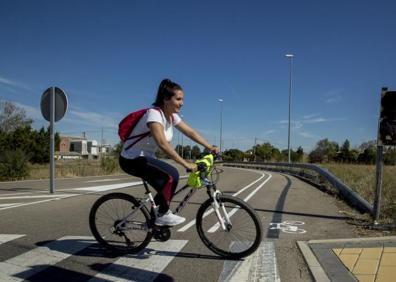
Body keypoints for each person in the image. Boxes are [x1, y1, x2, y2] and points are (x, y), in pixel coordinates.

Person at [119, 78, 218, 226]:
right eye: (178, 99)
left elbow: (190, 132)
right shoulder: (154, 114)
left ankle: (155, 218)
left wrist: (209, 147)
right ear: (166, 99)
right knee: (172, 174)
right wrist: (186, 163)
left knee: (167, 184)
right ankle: (161, 214)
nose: (182, 103)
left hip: (145, 158)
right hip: (131, 159)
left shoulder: (171, 117)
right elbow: (163, 144)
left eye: (182, 99)